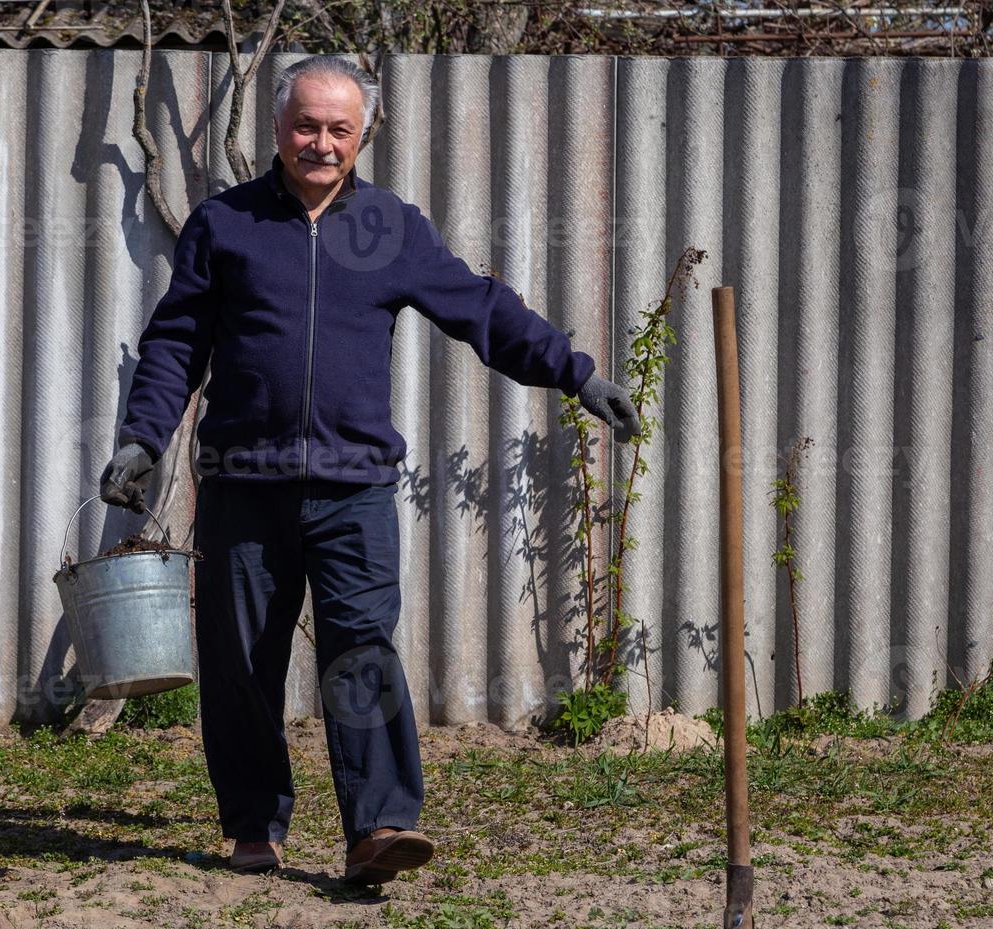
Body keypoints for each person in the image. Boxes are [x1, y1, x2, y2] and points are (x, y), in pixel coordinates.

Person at [100, 55, 637, 886]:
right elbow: (177, 343)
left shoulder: (390, 227)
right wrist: (143, 439)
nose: (320, 142)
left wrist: (576, 372)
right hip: (244, 485)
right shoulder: (224, 224)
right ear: (277, 128)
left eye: (338, 129)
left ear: (364, 134)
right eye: (305, 125)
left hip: (354, 488)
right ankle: (253, 824)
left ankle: (379, 826)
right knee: (242, 661)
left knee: (361, 653)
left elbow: (479, 307)